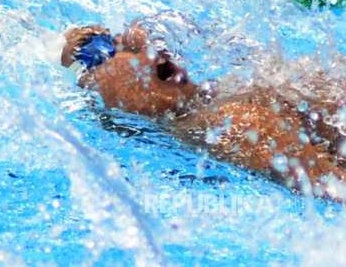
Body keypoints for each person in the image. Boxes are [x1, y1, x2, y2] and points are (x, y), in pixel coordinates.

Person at [60, 18, 346, 201]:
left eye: (117, 39)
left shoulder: (235, 85)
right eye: (107, 53)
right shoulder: (234, 125)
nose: (137, 39)